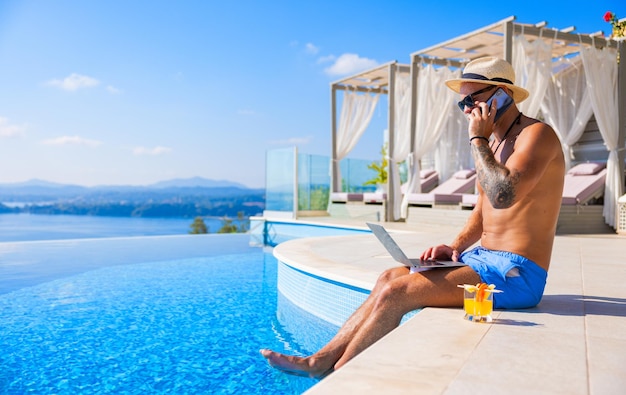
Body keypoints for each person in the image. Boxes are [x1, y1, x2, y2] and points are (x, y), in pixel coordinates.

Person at [260, 56, 565, 378]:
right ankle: (319, 360)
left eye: (471, 99)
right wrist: (455, 247)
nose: (465, 109)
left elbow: (503, 196)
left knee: (398, 293)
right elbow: (483, 209)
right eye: (461, 101)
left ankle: (342, 376)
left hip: (518, 273)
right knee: (389, 278)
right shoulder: (495, 144)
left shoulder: (537, 135)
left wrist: (477, 139)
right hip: (482, 259)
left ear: (501, 94)